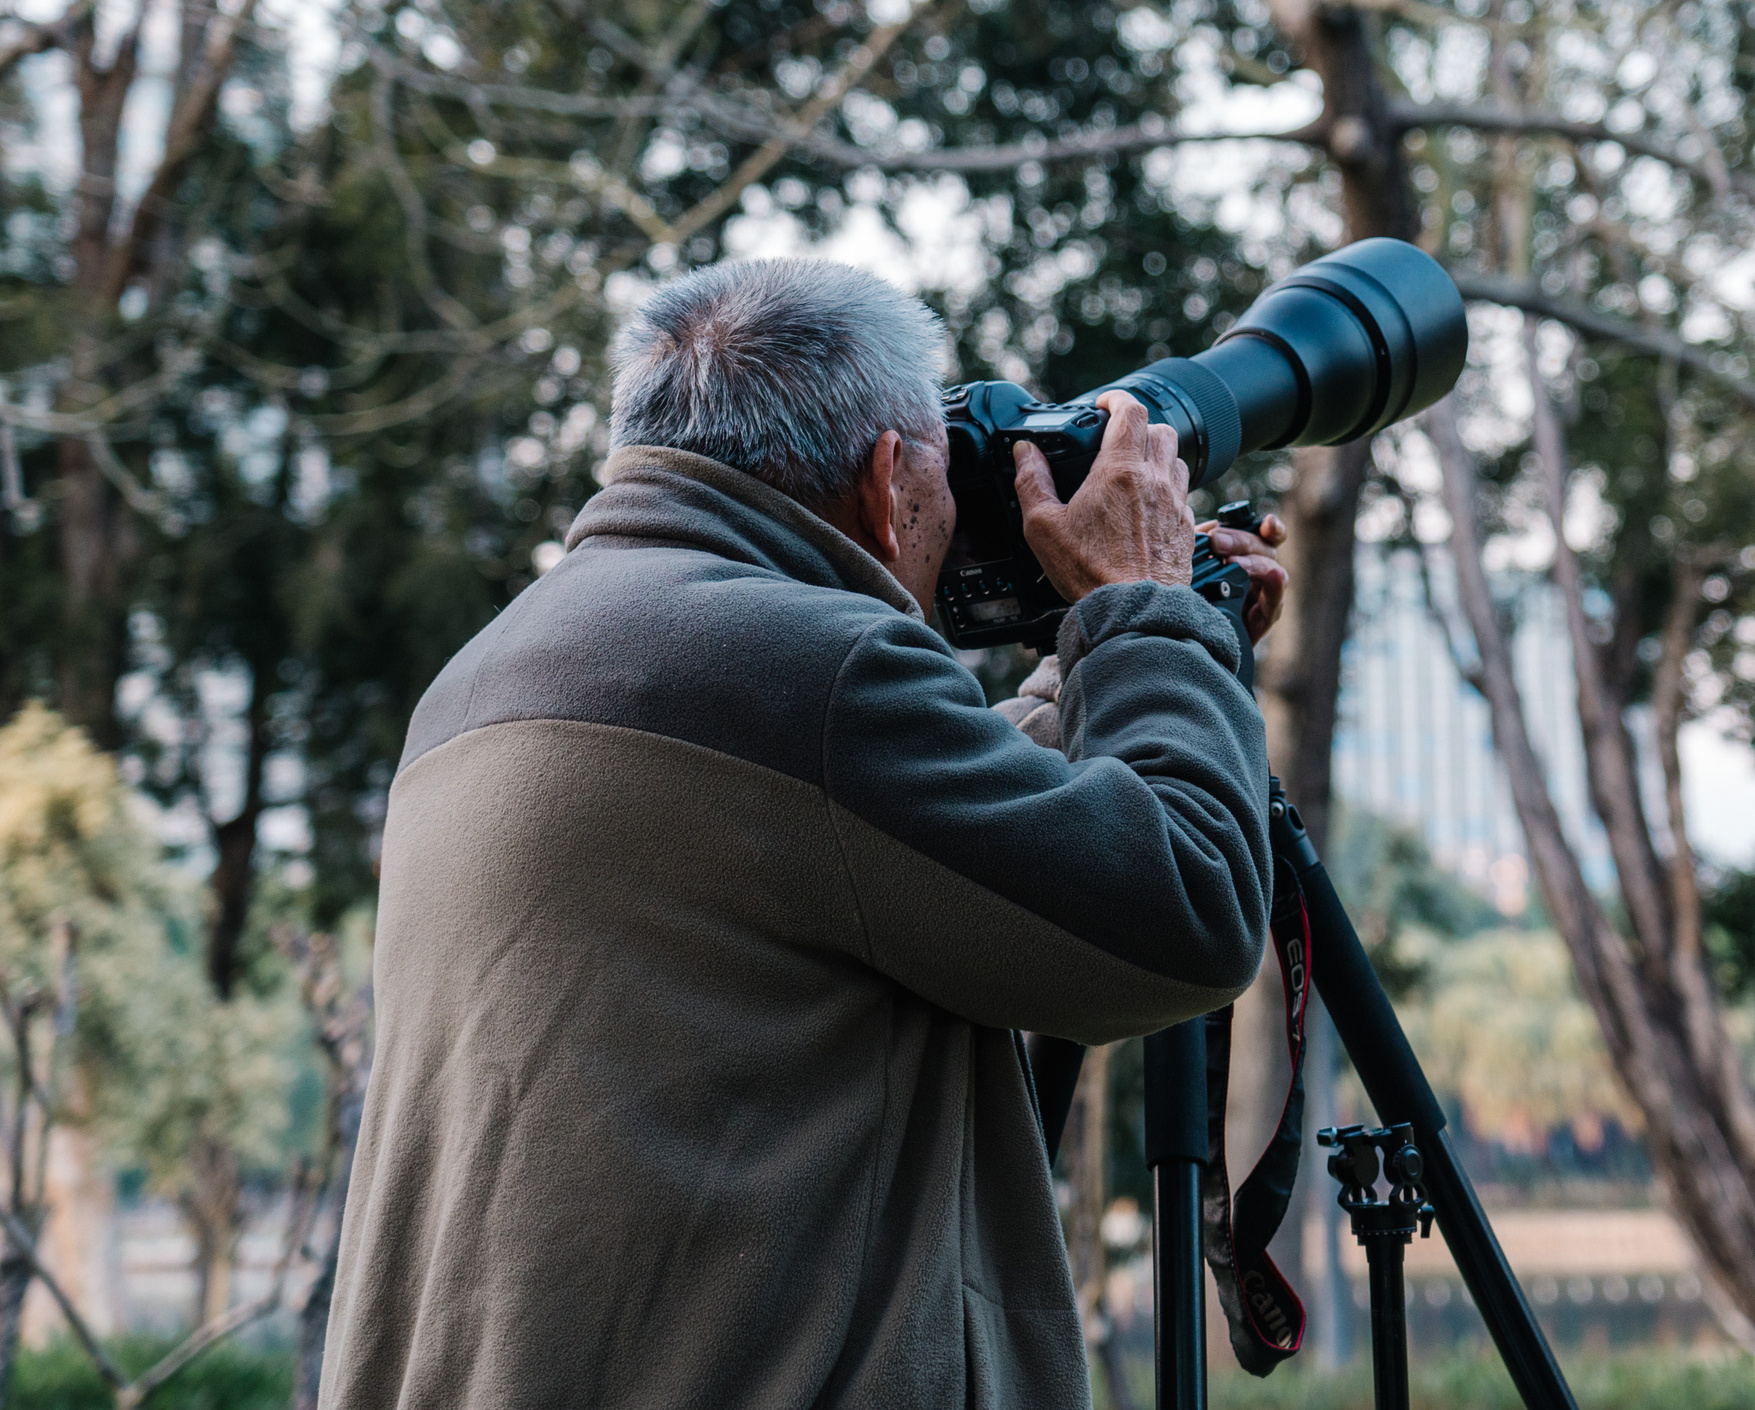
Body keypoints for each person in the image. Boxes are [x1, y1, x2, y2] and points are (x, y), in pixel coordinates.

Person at [320, 258, 1290, 1410]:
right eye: (942, 471)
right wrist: (1145, 621)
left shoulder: (489, 674)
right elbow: (1186, 909)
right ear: (889, 477)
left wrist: (1131, 651)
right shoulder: (808, 671)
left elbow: (882, 843)